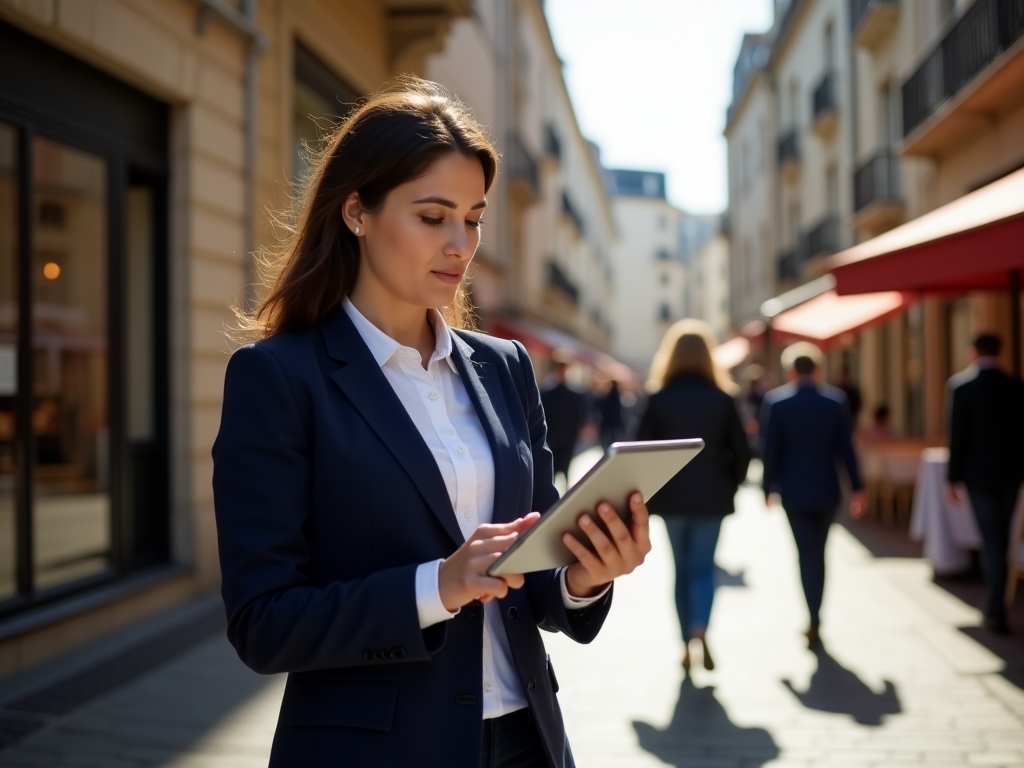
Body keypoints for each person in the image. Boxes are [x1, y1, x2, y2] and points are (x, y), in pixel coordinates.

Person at [212, 78, 652, 768]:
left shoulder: (505, 366)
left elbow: (531, 574)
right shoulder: (278, 378)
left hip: (527, 740)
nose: (461, 244)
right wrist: (437, 586)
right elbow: (262, 623)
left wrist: (585, 576)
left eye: (473, 219)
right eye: (433, 216)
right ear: (356, 212)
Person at [635, 320, 751, 671]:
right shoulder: (723, 398)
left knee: (681, 571)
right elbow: (743, 452)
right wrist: (731, 484)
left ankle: (685, 640)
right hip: (712, 498)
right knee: (703, 569)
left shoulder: (658, 398)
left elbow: (638, 449)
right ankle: (700, 628)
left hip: (670, 500)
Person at [760, 342, 865, 647]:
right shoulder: (835, 402)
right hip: (827, 490)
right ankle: (816, 617)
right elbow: (847, 449)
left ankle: (813, 618)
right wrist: (858, 487)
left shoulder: (777, 403)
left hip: (793, 492)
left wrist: (767, 488)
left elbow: (770, 450)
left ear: (791, 371)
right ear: (818, 370)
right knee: (818, 554)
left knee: (806, 554)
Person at [946, 333, 1024, 635]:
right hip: (1009, 476)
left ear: (972, 353)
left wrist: (951, 478)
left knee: (992, 540)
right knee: (1001, 538)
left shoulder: (963, 388)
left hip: (978, 476)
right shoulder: (1016, 386)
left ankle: (996, 606)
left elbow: (957, 435)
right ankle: (996, 605)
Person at [540, 353, 589, 486]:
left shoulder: (576, 393)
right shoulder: (546, 391)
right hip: (552, 435)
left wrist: (582, 428)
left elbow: (581, 413)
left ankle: (566, 489)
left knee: (566, 465)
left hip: (569, 435)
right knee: (553, 466)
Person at [595, 379, 626, 449]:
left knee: (608, 440)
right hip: (614, 422)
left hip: (608, 422)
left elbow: (599, 405)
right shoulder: (617, 396)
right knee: (613, 439)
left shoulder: (608, 396)